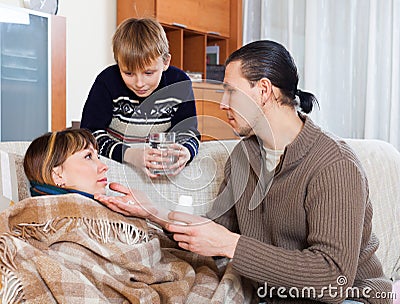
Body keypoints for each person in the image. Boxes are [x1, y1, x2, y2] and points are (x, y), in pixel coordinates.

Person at [98, 40, 392, 303]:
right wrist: (152, 211)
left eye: (230, 91)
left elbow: (332, 279)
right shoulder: (243, 156)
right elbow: (211, 234)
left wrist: (229, 244)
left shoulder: (334, 166)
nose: (222, 104)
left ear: (264, 90)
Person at [13, 128, 246, 303]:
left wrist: (149, 214)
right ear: (57, 174)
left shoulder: (113, 210)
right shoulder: (41, 226)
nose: (103, 166)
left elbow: (151, 257)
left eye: (98, 156)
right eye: (87, 157)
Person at [80, 17, 200, 178]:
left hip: (159, 163)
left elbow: (189, 131)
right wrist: (130, 155)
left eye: (149, 73)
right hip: (114, 162)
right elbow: (89, 134)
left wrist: (186, 151)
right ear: (118, 64)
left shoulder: (180, 83)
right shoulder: (107, 81)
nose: (139, 83)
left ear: (165, 62)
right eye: (128, 73)